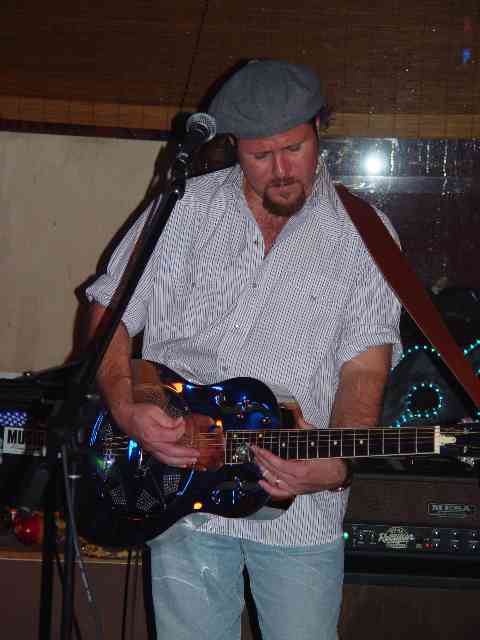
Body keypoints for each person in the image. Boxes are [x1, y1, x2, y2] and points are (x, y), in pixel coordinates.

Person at [86, 59, 401, 640]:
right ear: (234, 145)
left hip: (298, 510)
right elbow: (112, 312)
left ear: (318, 129)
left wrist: (334, 466)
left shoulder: (365, 234)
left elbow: (364, 368)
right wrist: (125, 406)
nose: (281, 170)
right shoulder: (181, 209)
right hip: (179, 490)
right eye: (261, 155)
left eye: (295, 148)